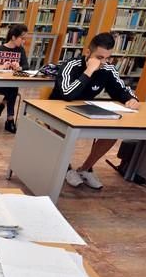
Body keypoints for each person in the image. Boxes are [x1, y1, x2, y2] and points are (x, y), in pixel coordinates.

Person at [50, 32, 140, 190]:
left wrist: (131, 99)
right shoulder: (71, 65)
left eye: (107, 58)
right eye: (99, 57)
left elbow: (122, 89)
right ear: (87, 53)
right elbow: (67, 94)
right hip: (58, 110)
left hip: (86, 110)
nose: (103, 62)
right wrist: (88, 71)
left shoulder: (107, 68)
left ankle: (85, 169)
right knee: (63, 132)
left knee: (112, 133)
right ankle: (67, 168)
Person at [0, 24, 29, 134]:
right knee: (13, 89)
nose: (24, 41)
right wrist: (0, 66)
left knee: (13, 88)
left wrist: (19, 67)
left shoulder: (20, 50)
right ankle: (9, 119)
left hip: (11, 83)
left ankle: (8, 116)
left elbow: (27, 66)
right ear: (13, 37)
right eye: (22, 38)